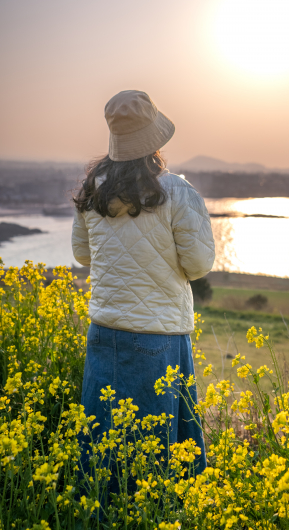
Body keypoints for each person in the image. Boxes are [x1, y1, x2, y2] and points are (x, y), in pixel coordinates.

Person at [71, 90, 215, 486]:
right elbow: (200, 264)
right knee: (156, 461)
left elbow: (82, 254)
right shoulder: (176, 190)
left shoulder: (93, 189)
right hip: (159, 337)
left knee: (102, 451)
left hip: (103, 333)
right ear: (154, 139)